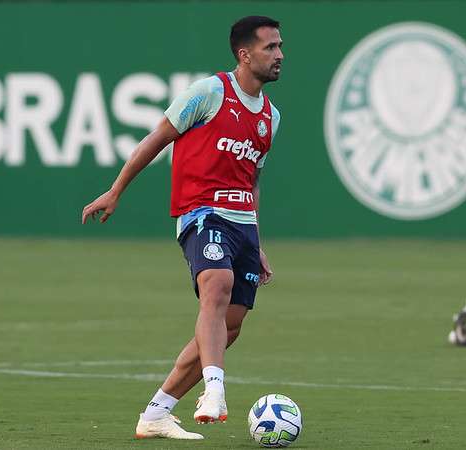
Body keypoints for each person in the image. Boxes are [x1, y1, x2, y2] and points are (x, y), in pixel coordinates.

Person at [81, 16, 284, 440]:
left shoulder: (270, 116)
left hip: (243, 222)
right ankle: (215, 391)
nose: (280, 55)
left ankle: (157, 412)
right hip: (200, 212)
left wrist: (258, 242)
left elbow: (253, 181)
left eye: (280, 47)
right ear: (245, 55)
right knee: (217, 285)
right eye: (270, 48)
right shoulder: (210, 92)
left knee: (231, 325)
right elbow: (155, 139)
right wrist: (116, 190)